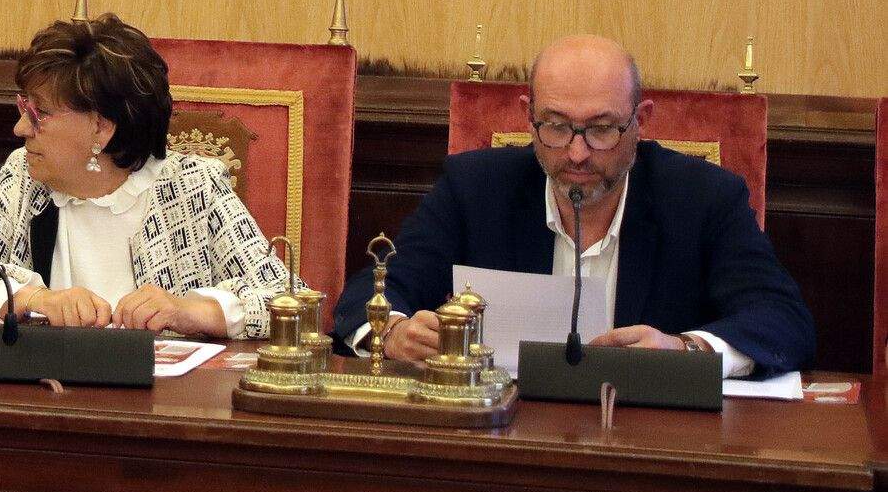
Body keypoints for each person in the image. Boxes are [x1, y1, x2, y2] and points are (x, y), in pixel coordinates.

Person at [332, 35, 815, 377]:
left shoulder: (703, 198)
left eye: (602, 129)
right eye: (557, 127)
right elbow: (368, 294)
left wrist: (686, 351)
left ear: (639, 122)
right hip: (504, 444)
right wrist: (392, 333)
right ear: (528, 117)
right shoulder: (476, 188)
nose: (578, 154)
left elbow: (782, 320)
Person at [0, 14, 294, 338]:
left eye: (40, 113)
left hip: (163, 409)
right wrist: (35, 299)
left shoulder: (193, 185)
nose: (20, 128)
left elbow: (286, 300)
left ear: (101, 128)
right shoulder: (23, 177)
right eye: (25, 108)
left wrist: (190, 311)